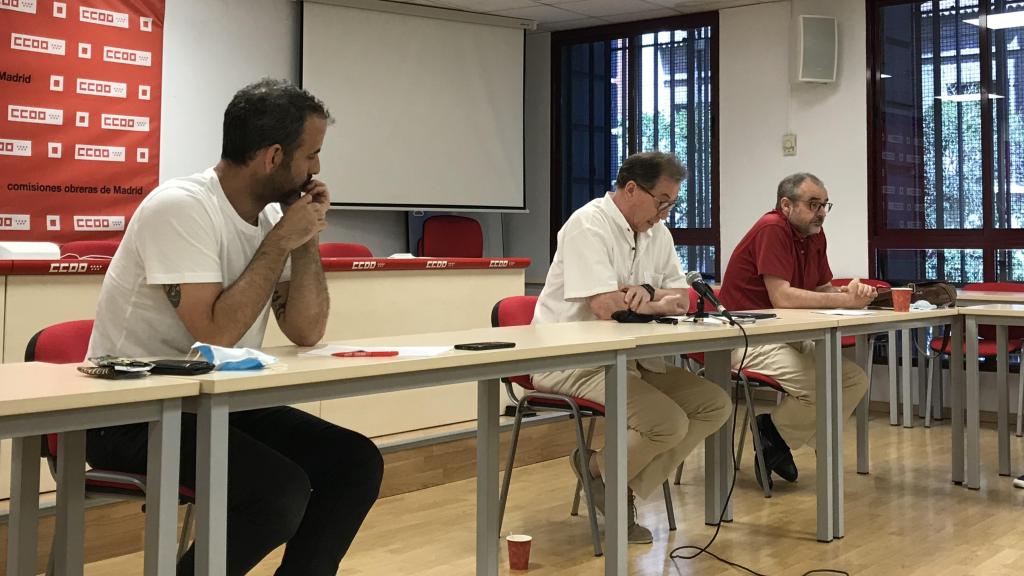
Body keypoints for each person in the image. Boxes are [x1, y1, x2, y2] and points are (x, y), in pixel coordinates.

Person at [86, 79, 383, 576]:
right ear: (272, 157)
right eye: (311, 155)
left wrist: (305, 236)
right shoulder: (180, 206)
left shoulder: (273, 219)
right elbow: (214, 336)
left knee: (354, 463)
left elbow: (306, 331)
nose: (317, 170)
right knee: (277, 492)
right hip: (130, 413)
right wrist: (279, 243)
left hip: (220, 403)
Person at [531, 151, 731, 544]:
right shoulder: (588, 225)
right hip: (573, 360)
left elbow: (683, 298)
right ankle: (612, 483)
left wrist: (649, 296)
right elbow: (605, 306)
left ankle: (601, 471)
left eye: (672, 204)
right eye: (662, 201)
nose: (665, 212)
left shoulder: (657, 233)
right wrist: (652, 302)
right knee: (667, 423)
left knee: (714, 404)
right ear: (631, 189)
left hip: (633, 358)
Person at [719, 172, 873, 490]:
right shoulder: (772, 227)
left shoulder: (815, 234)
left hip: (788, 334)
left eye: (825, 205)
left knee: (854, 380)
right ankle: (777, 439)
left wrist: (852, 295)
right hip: (747, 338)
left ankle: (774, 435)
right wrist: (841, 299)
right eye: (813, 204)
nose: (821, 212)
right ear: (786, 205)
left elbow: (823, 287)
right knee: (821, 386)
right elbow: (783, 297)